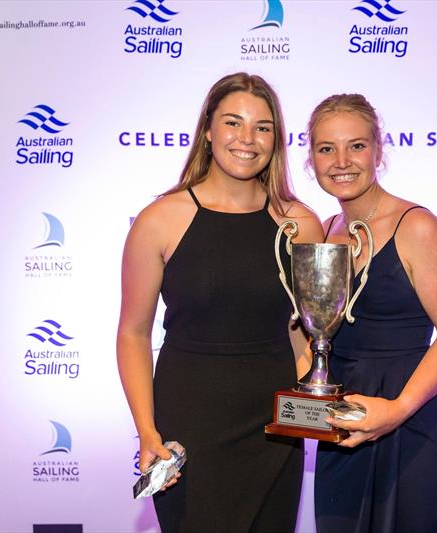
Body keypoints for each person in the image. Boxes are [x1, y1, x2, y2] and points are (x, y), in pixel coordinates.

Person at [116, 72, 323, 533]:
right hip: (189, 422)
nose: (247, 139)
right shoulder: (160, 220)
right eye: (233, 122)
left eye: (262, 127)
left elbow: (304, 332)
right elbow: (132, 332)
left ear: (276, 139)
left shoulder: (300, 224)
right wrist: (147, 431)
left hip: (274, 425)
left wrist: (317, 394)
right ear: (208, 130)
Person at [308, 94, 437, 533]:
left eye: (356, 146)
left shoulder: (418, 226)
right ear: (311, 159)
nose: (342, 161)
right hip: (343, 428)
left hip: (415, 429)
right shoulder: (325, 232)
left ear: (378, 150)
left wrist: (399, 408)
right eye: (327, 149)